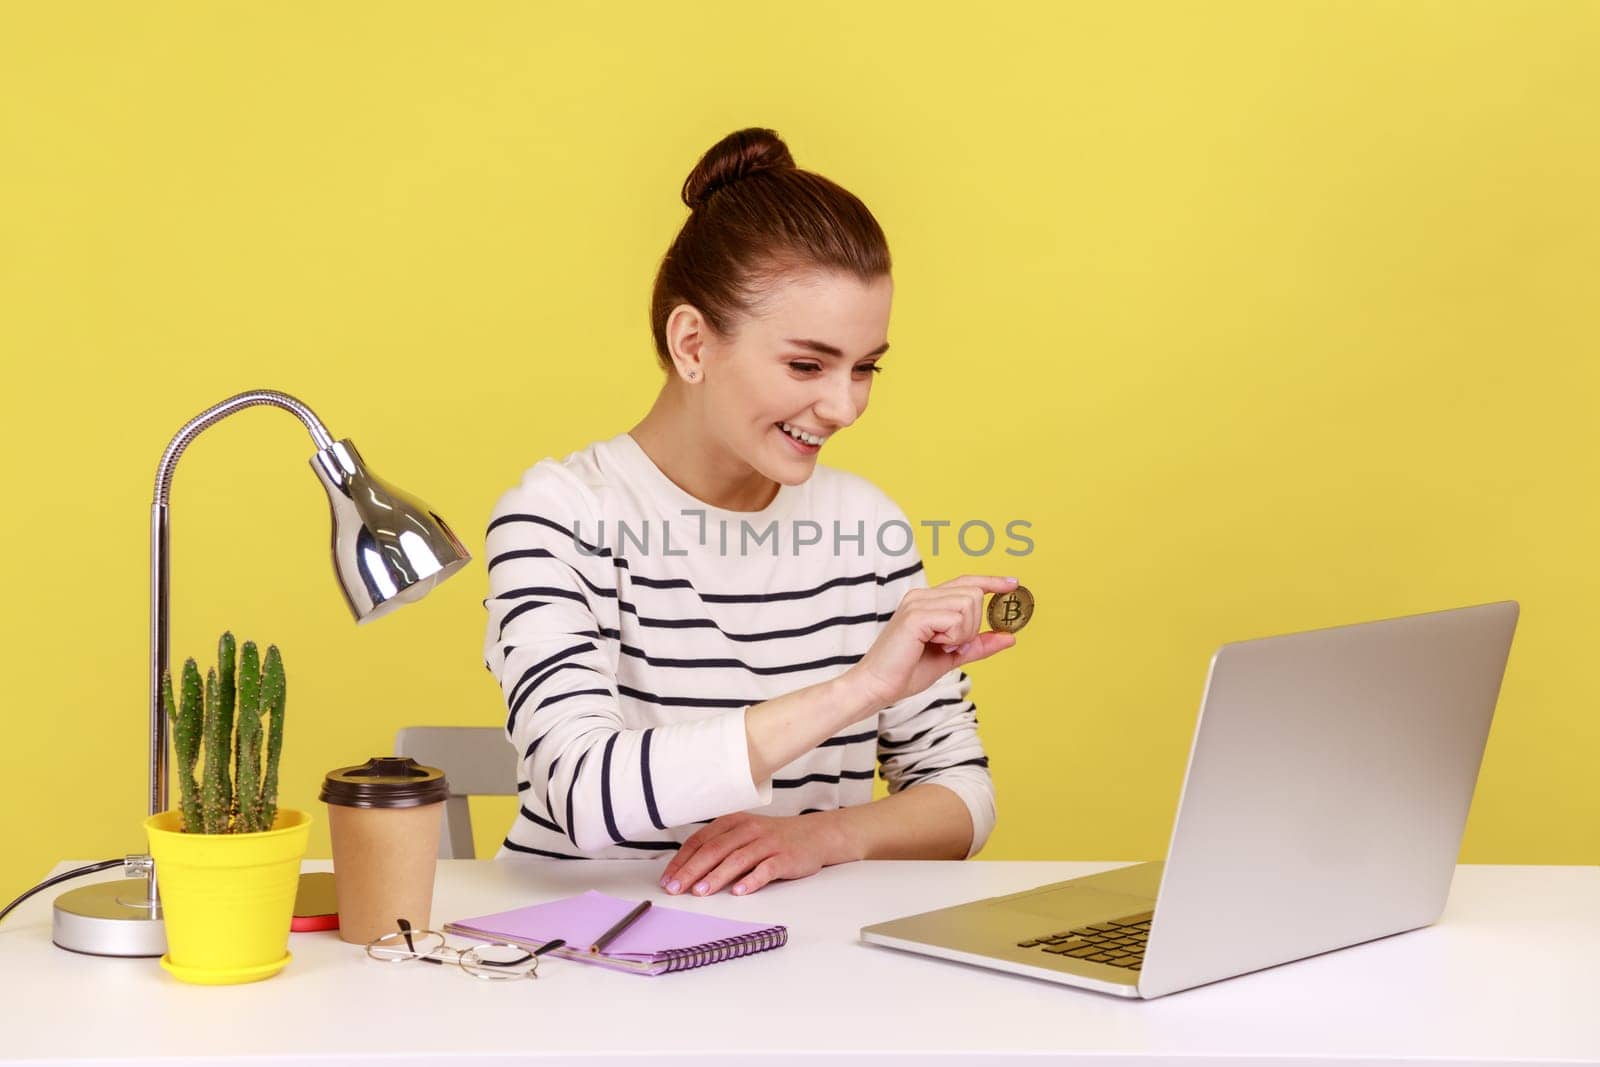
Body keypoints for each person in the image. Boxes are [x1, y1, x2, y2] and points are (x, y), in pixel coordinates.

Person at [482, 127, 1019, 898]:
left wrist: (825, 835)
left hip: (801, 964)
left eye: (866, 367)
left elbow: (963, 794)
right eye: (807, 364)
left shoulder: (868, 529)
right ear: (693, 343)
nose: (844, 406)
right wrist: (859, 690)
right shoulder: (560, 515)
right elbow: (584, 794)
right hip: (584, 960)